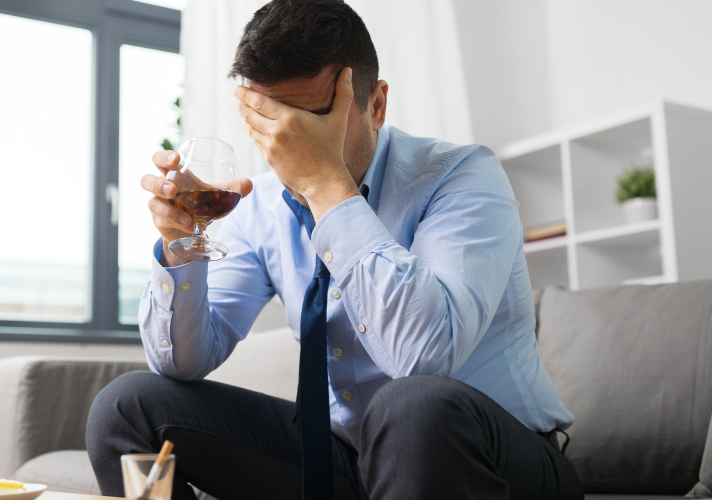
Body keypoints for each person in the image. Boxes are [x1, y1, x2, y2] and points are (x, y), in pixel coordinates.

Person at [86, 1, 583, 498]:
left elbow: (424, 358)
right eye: (272, 122)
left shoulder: (462, 176)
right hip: (348, 459)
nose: (289, 145)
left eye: (313, 121)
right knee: (127, 407)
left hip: (487, 457)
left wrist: (327, 188)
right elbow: (182, 365)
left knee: (413, 406)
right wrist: (181, 248)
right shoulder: (258, 206)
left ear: (377, 105)